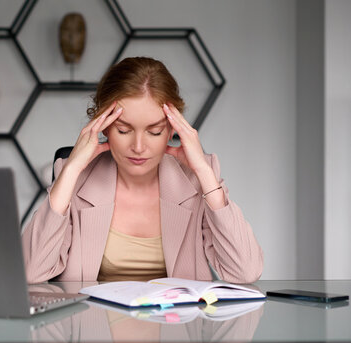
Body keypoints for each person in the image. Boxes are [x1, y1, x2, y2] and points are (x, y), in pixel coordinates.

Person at [22, 57, 263, 284]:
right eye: (123, 130)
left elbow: (244, 271)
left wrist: (203, 171)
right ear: (103, 127)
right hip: (92, 326)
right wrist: (72, 169)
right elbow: (32, 272)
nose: (138, 147)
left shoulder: (196, 179)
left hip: (175, 326)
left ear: (172, 129)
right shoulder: (76, 178)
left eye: (155, 131)